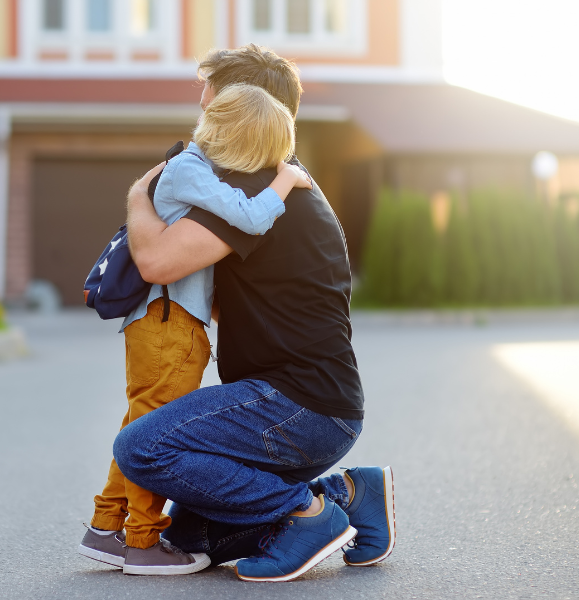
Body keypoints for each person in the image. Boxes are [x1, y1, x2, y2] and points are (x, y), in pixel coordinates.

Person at [111, 45, 397, 582]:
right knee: (191, 537)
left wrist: (139, 191)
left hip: (295, 407)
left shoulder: (252, 186)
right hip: (311, 409)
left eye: (210, 94)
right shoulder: (277, 180)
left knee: (142, 448)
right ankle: (351, 494)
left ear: (245, 104)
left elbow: (155, 260)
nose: (201, 105)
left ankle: (307, 514)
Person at [79, 83, 313, 576]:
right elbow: (250, 217)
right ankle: (141, 540)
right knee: (152, 436)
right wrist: (286, 181)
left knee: (139, 425)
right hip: (169, 325)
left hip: (167, 324)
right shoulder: (190, 169)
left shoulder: (190, 169)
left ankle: (105, 527)